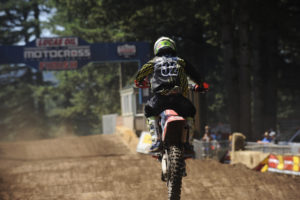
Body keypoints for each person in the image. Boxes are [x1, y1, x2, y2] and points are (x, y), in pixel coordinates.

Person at [135, 36, 208, 154]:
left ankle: (156, 141)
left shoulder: (154, 62)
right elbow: (194, 73)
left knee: (149, 110)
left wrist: (140, 82)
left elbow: (140, 74)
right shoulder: (180, 60)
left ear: (157, 49)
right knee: (190, 112)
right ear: (172, 47)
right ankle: (188, 143)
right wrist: (201, 84)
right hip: (178, 99)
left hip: (160, 99)